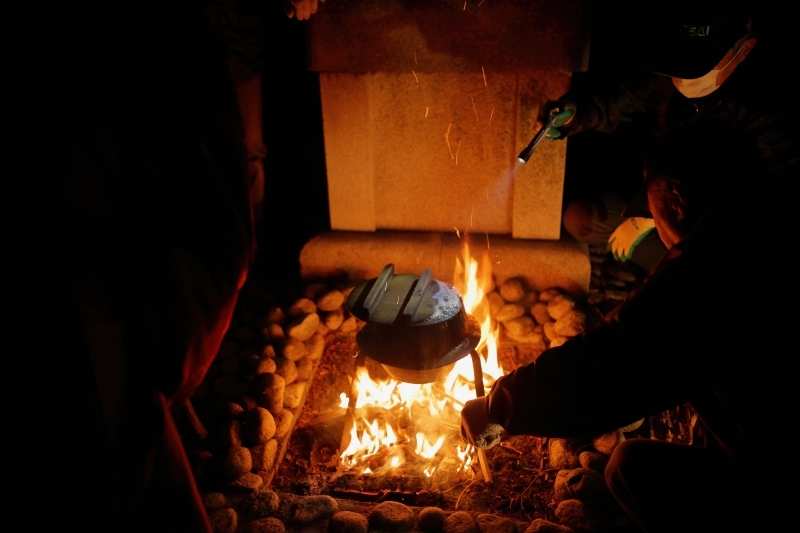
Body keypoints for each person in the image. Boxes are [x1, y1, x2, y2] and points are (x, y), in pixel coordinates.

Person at [461, 121, 787, 532]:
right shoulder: (766, 219)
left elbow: (611, 366)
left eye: (652, 213)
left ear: (676, 198)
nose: (657, 229)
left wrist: (499, 407)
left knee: (630, 467)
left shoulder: (712, 269)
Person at [535, 2, 795, 272]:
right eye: (679, 60)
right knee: (580, 219)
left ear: (744, 49)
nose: (681, 77)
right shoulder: (664, 78)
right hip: (660, 207)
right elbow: (619, 98)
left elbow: (768, 199)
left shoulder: (768, 107)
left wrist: (646, 220)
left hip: (720, 229)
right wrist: (577, 113)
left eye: (698, 64)